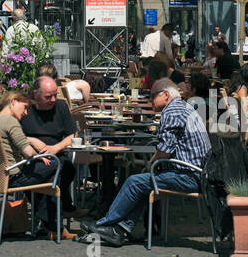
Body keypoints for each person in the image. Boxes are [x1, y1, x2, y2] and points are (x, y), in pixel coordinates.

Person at [78, 80, 211, 247]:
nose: (150, 100)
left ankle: (105, 224)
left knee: (134, 182)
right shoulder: (183, 107)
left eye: (152, 96)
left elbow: (165, 150)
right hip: (197, 172)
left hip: (190, 176)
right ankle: (120, 229)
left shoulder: (172, 112)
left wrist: (151, 165)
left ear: (166, 94)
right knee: (142, 181)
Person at [0, 90, 61, 236]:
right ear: (13, 102)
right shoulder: (10, 121)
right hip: (12, 178)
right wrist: (40, 156)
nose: (26, 113)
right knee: (55, 165)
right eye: (25, 107)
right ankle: (52, 224)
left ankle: (47, 222)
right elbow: (28, 152)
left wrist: (31, 142)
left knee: (42, 174)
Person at [20, 76, 78, 218]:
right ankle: (52, 218)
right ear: (36, 94)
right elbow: (10, 133)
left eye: (55, 95)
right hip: (30, 156)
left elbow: (73, 135)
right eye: (48, 97)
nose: (53, 100)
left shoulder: (61, 106)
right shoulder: (24, 108)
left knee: (64, 169)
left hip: (57, 155)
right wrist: (31, 140)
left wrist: (56, 148)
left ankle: (46, 218)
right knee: (45, 173)